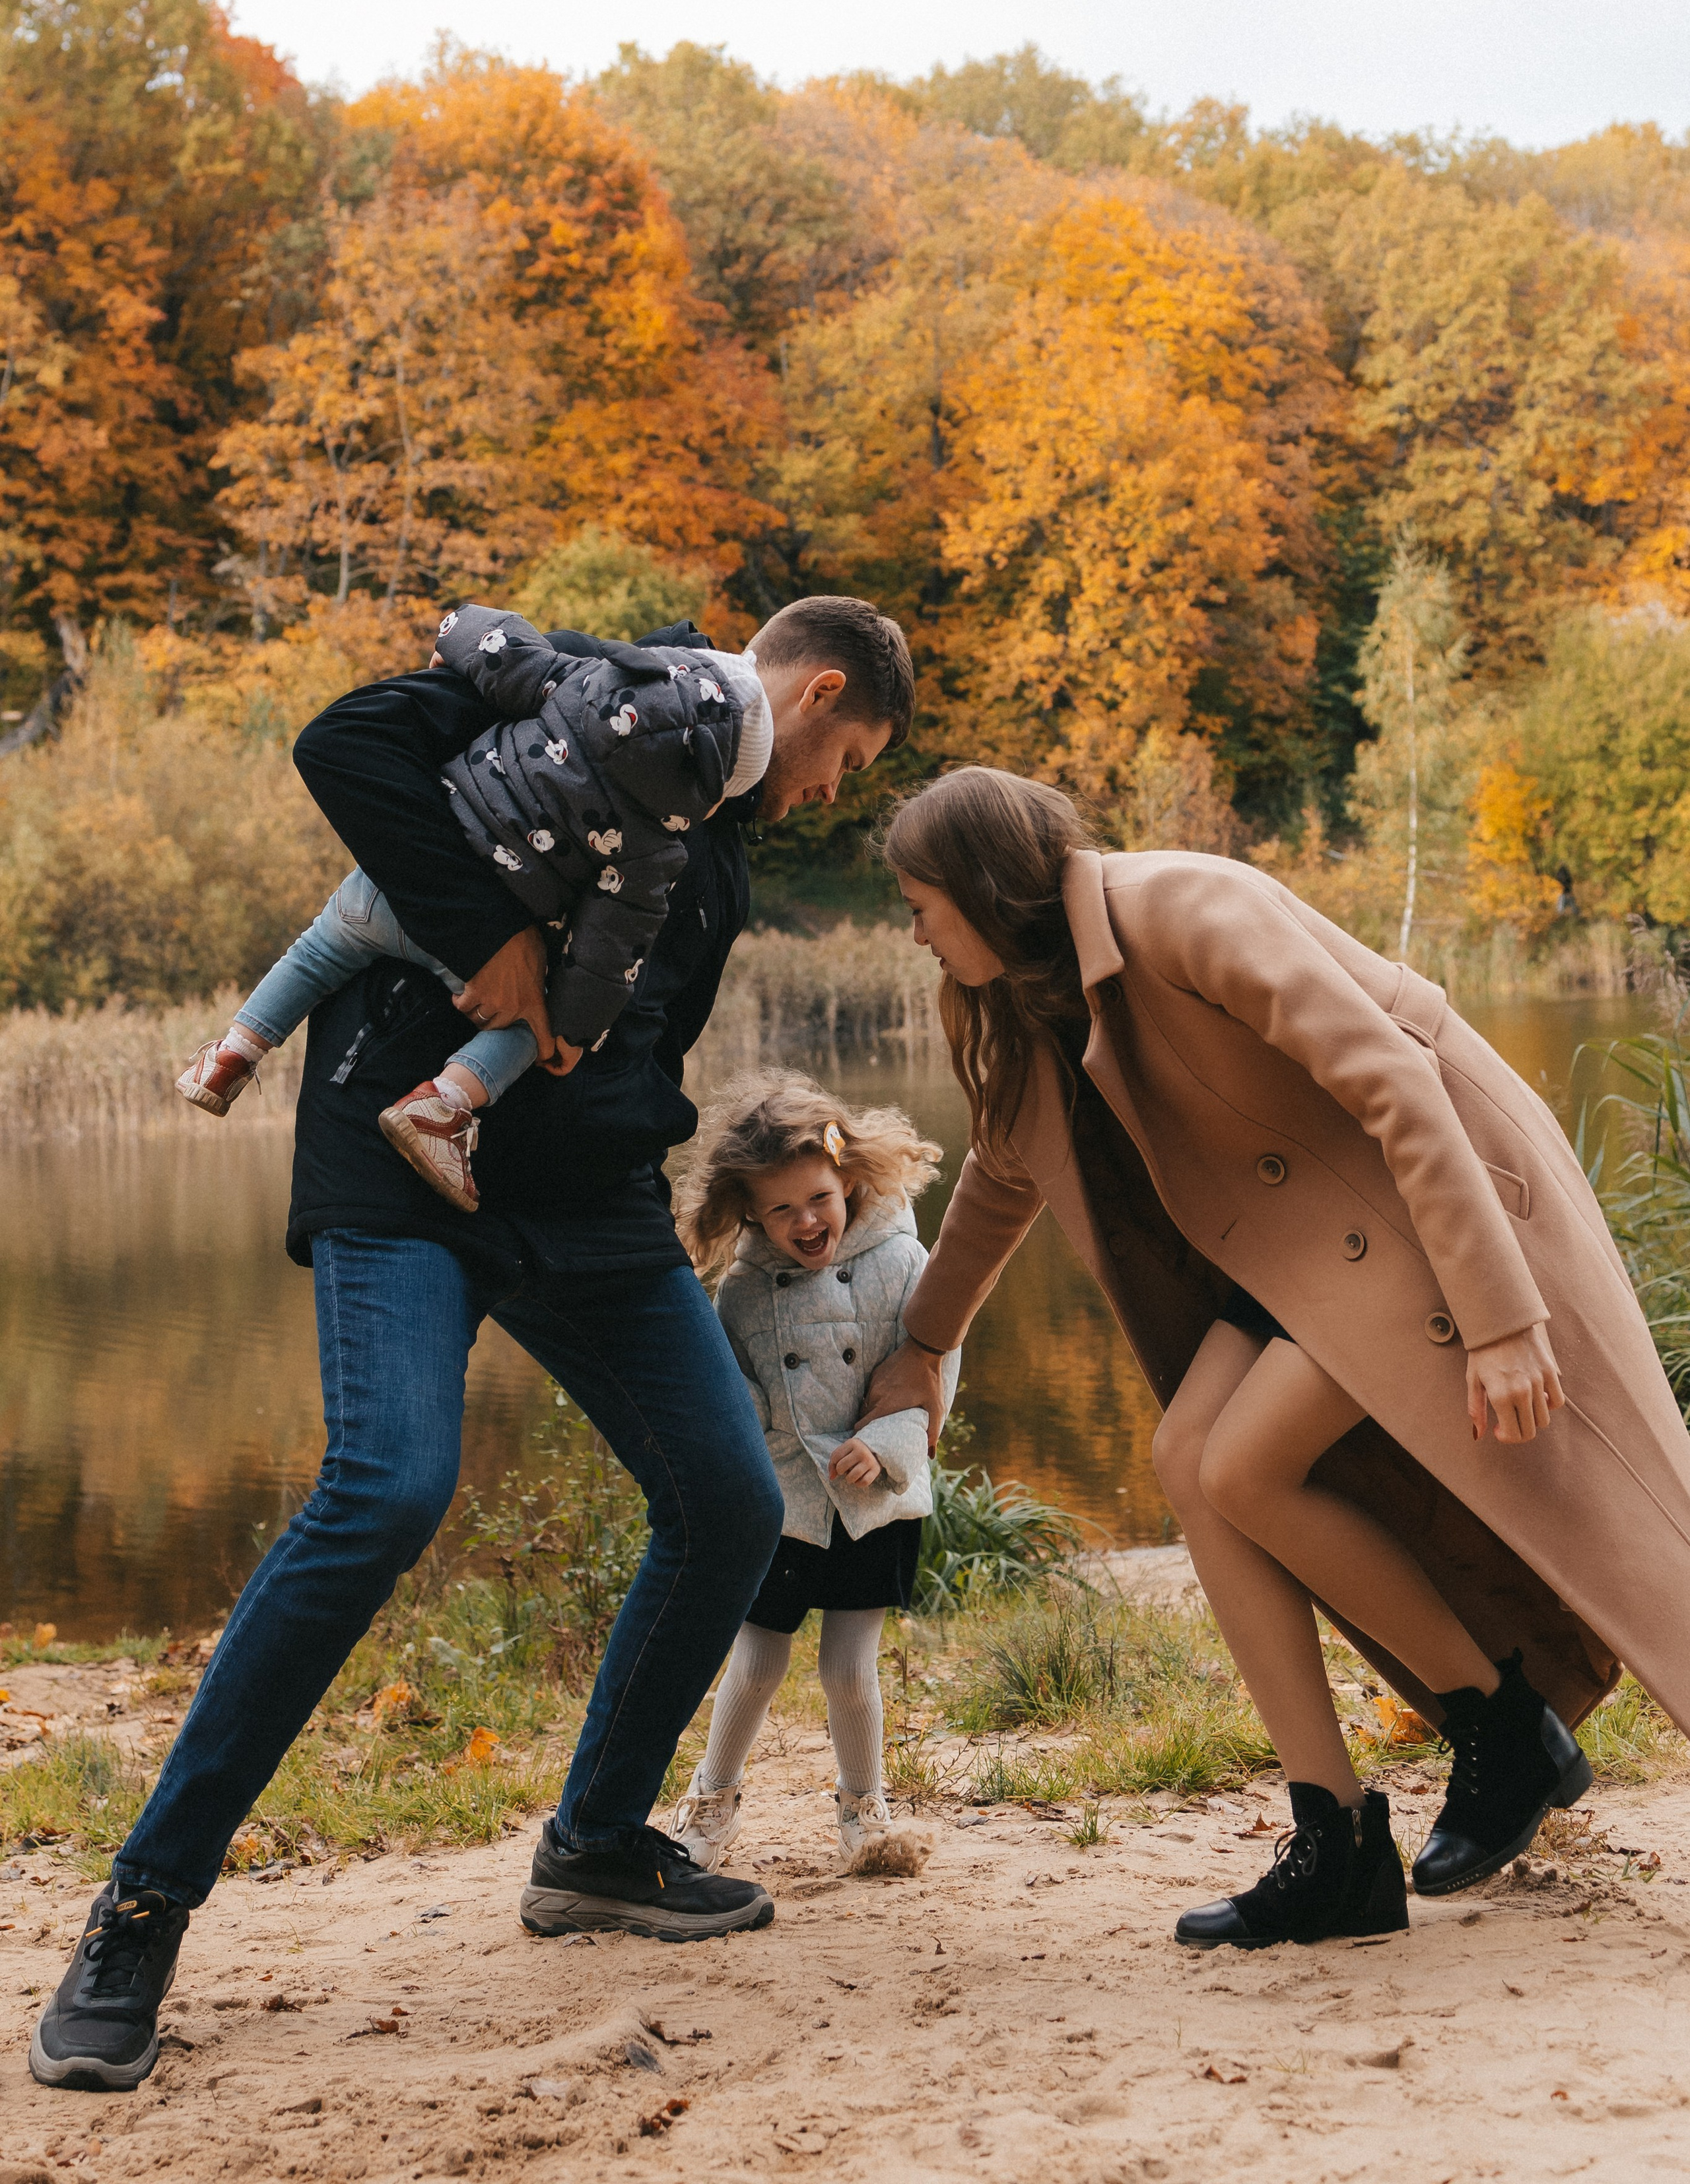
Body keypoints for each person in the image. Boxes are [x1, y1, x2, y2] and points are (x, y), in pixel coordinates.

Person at [30, 593, 914, 2096]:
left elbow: (636, 1028)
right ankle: (138, 1908)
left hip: (585, 1207)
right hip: (401, 1162)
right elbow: (347, 742)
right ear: (810, 687)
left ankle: (594, 1846)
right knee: (386, 1484)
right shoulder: (594, 701)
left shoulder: (718, 833)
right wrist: (486, 934)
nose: (830, 787)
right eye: (846, 755)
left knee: (722, 1496)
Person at [862, 765, 1690, 1953]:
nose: (917, 933)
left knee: (1246, 1463)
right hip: (1304, 1255)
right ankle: (1340, 1838)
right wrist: (925, 1346)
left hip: (1423, 1205)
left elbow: (1397, 1082)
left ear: (984, 887)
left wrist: (1503, 1317)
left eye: (921, 905)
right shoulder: (1029, 998)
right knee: (1191, 1459)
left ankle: (1501, 1730)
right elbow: (1003, 1179)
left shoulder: (1186, 906)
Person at [175, 603, 772, 1212]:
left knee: (315, 949)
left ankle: (231, 1055)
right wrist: (571, 1030)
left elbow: (495, 641)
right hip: (471, 944)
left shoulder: (569, 683)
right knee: (528, 1025)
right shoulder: (655, 851)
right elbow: (608, 950)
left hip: (394, 884)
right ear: (712, 792)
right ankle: (440, 1106)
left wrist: (455, 643)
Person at [666, 1073, 951, 1870]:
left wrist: (891, 1444)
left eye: (817, 1198)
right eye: (780, 1210)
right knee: (754, 1660)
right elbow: (738, 1395)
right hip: (785, 1498)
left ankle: (867, 1812)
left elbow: (935, 1370)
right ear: (751, 1214)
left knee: (849, 1669)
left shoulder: (902, 1261)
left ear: (847, 1178)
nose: (805, 1222)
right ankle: (711, 1800)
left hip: (872, 1496)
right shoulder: (745, 1291)